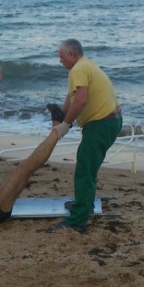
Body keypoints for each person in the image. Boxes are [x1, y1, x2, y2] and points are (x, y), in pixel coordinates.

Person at [48, 39, 122, 232]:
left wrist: (65, 124)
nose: (60, 61)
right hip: (108, 122)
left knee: (84, 168)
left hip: (101, 123)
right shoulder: (85, 65)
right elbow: (72, 96)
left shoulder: (78, 69)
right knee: (88, 166)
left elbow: (80, 101)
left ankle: (77, 221)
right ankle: (85, 203)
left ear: (71, 55)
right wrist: (62, 114)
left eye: (61, 57)